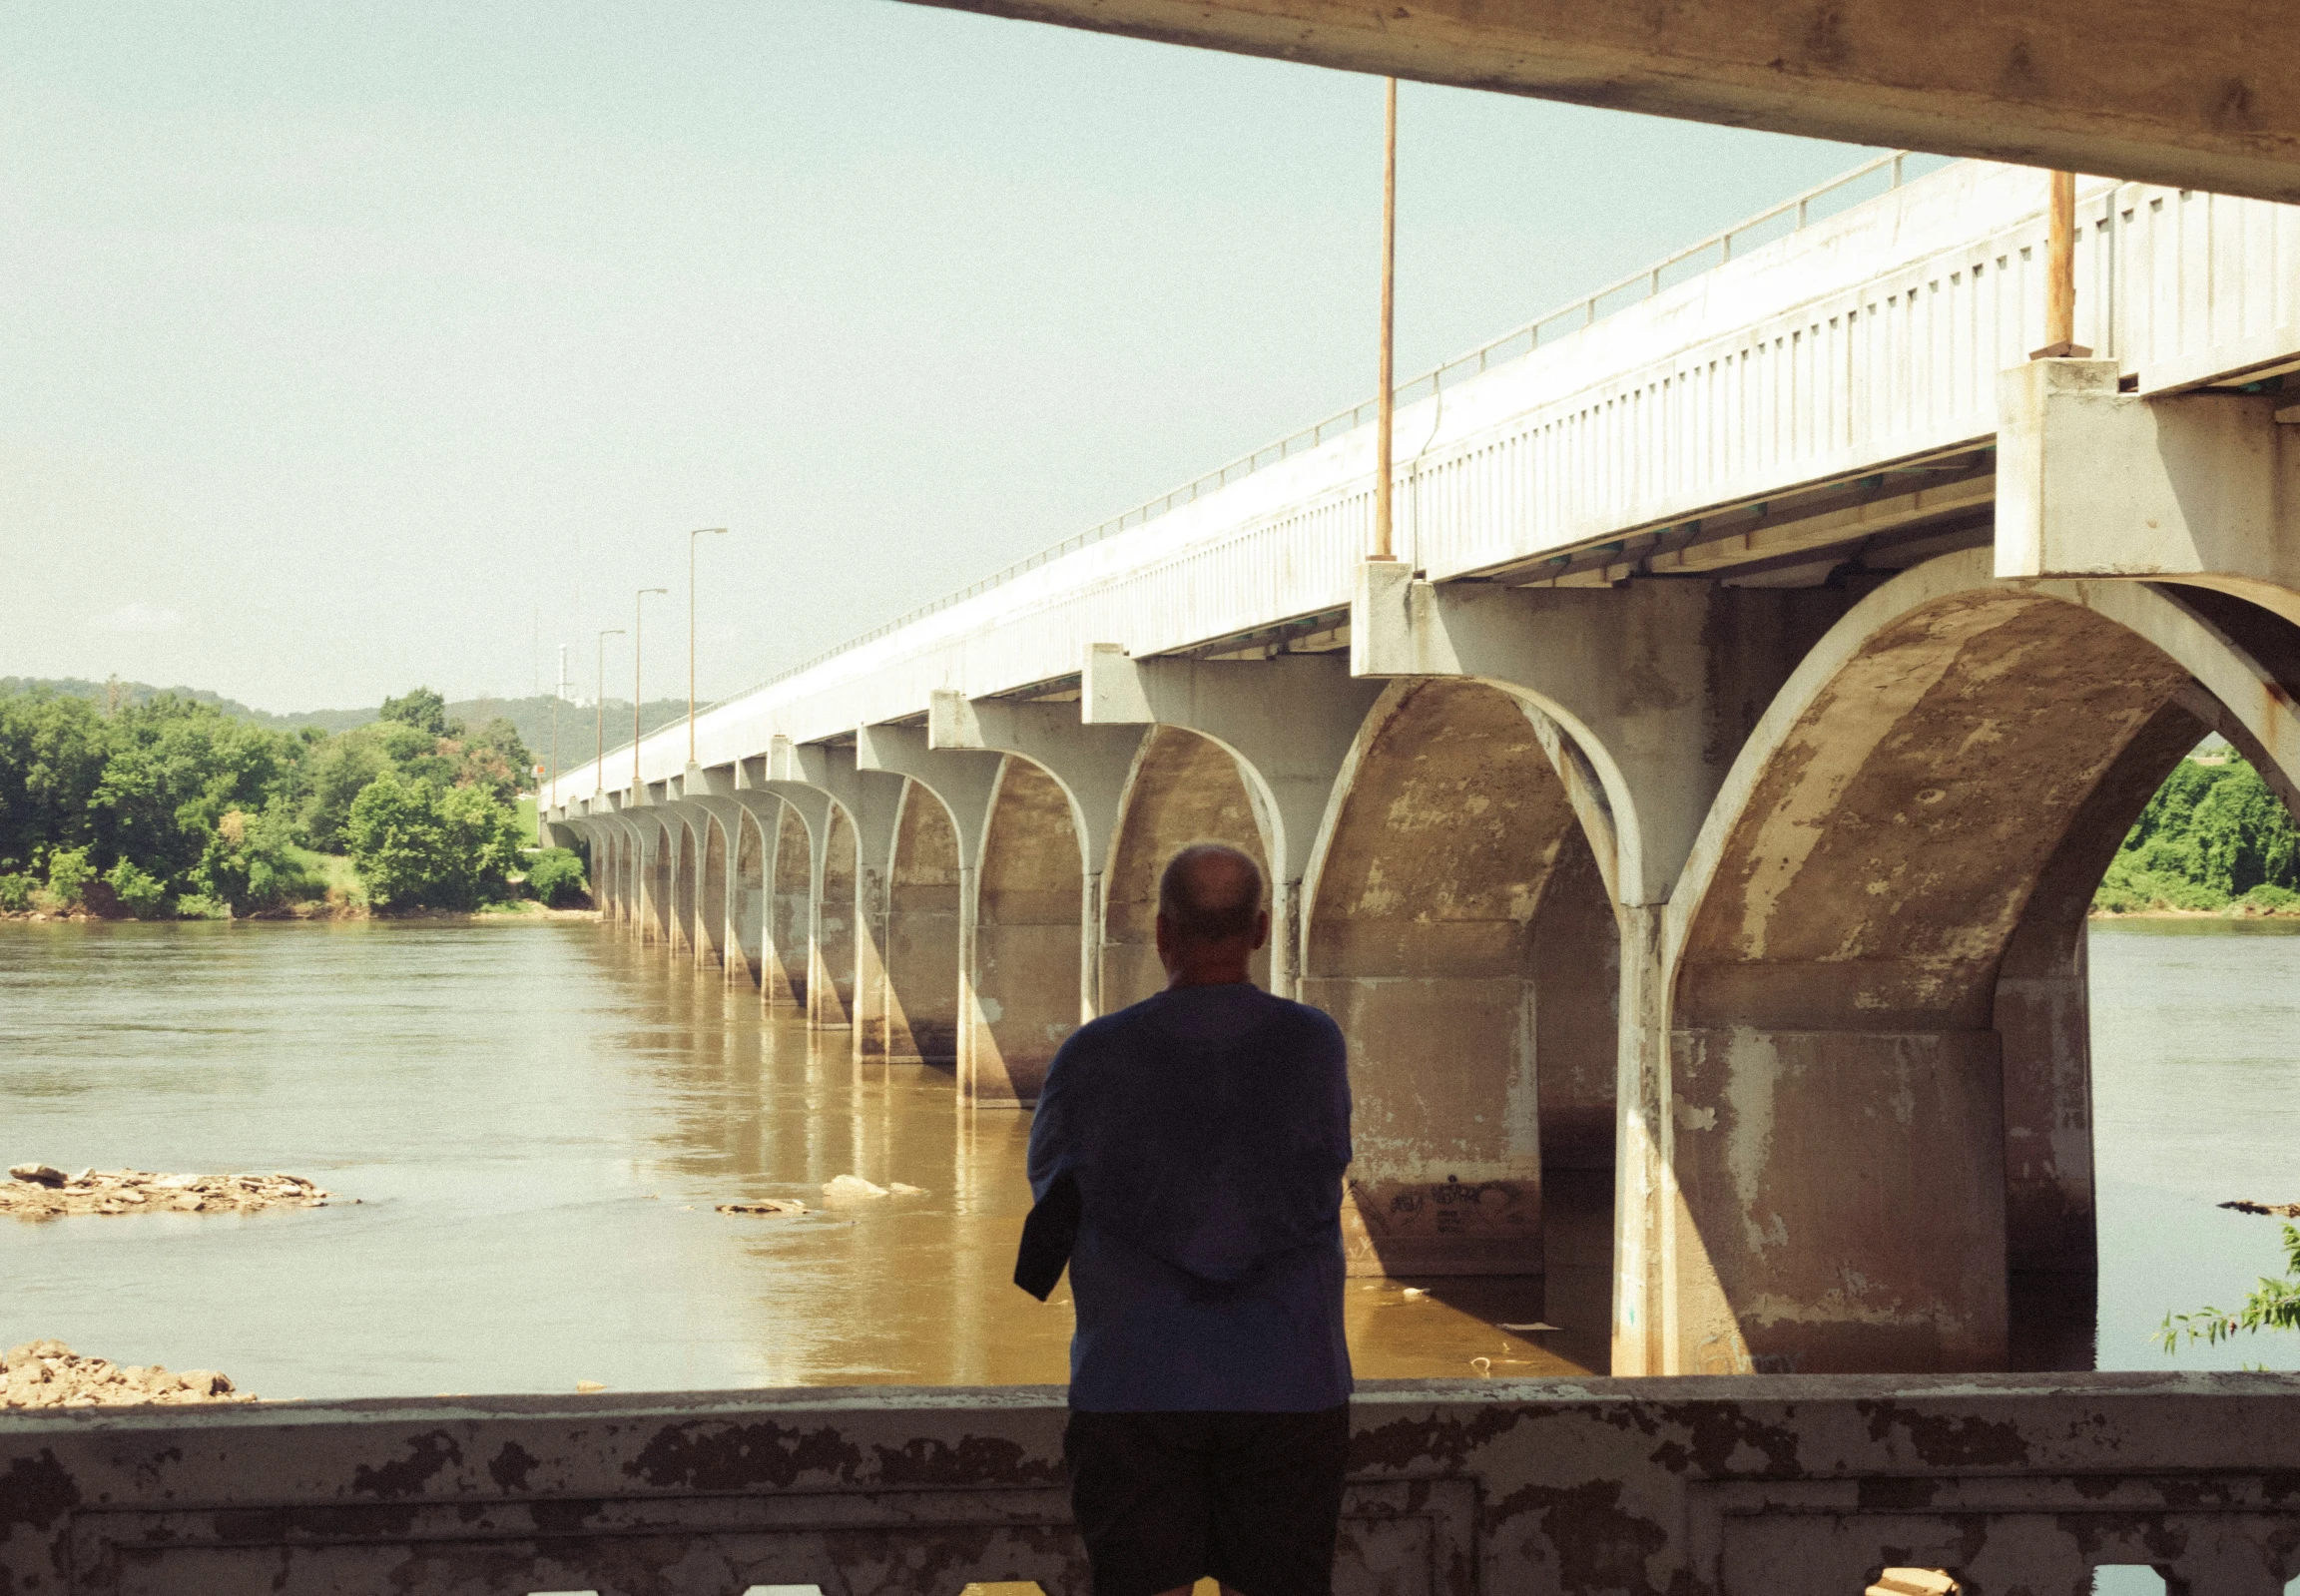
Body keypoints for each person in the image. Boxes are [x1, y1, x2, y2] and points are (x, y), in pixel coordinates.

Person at [1020, 842, 1354, 1596]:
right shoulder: (1312, 1042)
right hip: (1288, 1378)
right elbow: (1320, 1168)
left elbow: (1052, 1186)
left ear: (1163, 932)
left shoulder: (1094, 1052)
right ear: (1261, 929)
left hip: (1134, 1378)